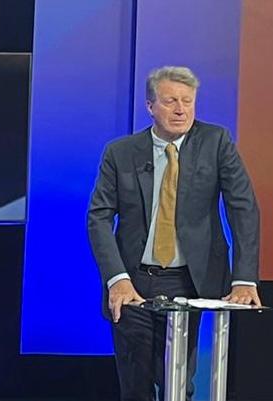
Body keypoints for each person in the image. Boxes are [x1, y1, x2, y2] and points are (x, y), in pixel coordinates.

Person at [87, 66, 261, 401]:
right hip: (134, 282)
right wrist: (116, 278)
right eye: (170, 101)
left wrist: (244, 279)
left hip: (188, 281)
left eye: (187, 101)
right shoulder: (120, 152)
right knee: (135, 386)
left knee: (179, 383)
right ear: (150, 106)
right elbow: (98, 218)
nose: (181, 109)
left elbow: (243, 209)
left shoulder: (216, 142)